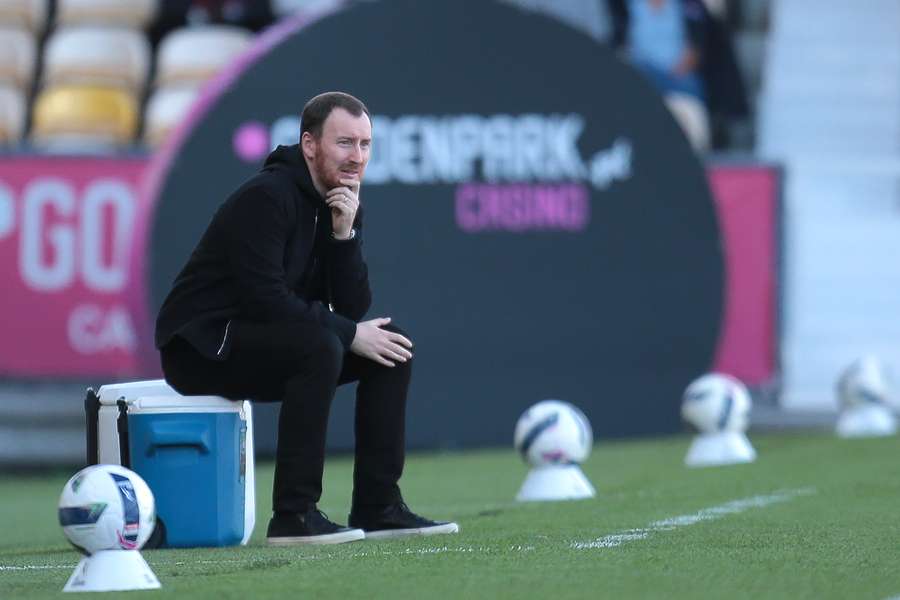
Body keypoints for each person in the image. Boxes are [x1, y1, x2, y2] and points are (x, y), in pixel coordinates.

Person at [154, 91, 459, 544]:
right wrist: (348, 332)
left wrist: (343, 234)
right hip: (200, 347)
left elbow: (352, 305)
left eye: (365, 145)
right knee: (321, 345)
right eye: (345, 143)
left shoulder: (343, 201)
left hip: (264, 337)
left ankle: (378, 507)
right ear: (310, 145)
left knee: (391, 347)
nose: (357, 157)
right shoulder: (266, 197)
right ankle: (294, 517)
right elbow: (265, 299)